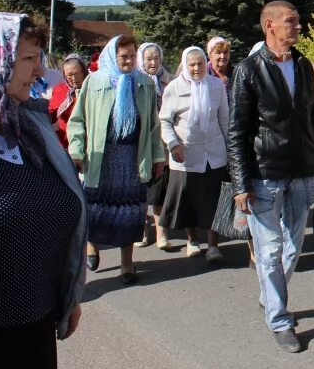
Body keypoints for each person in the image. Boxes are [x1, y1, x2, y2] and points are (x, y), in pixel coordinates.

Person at [228, 0, 314, 353]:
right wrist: (241, 184)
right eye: (291, 22)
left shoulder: (304, 66)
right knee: (271, 249)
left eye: (298, 21)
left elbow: (312, 119)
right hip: (266, 174)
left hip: (303, 171)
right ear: (270, 26)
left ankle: (268, 295)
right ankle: (279, 319)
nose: (298, 27)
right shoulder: (249, 70)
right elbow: (237, 131)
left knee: (293, 248)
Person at [0, 14, 86, 369]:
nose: (38, 71)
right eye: (29, 59)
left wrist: (69, 295)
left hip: (38, 317)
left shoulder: (31, 127)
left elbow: (64, 210)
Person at [68, 34, 166, 285]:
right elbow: (78, 121)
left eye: (133, 56)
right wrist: (77, 153)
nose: (130, 61)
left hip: (132, 157)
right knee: (95, 208)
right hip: (101, 157)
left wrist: (158, 157)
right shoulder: (95, 81)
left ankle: (126, 263)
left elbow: (153, 126)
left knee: (131, 212)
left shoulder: (143, 83)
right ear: (113, 56)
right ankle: (92, 246)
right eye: (124, 56)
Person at [158, 46, 230, 263]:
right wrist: (173, 144)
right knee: (189, 199)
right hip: (186, 154)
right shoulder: (174, 88)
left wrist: (228, 149)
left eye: (200, 63)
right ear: (185, 65)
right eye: (192, 64)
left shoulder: (216, 86)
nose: (197, 68)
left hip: (214, 154)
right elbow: (165, 121)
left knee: (213, 200)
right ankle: (192, 241)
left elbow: (224, 119)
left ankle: (213, 245)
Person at [136, 42, 174, 251]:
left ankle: (161, 232)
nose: (152, 62)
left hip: (162, 141)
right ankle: (141, 231)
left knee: (160, 189)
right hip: (142, 141)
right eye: (148, 58)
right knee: (141, 188)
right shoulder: (135, 81)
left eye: (156, 58)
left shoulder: (168, 80)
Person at [48, 53, 89, 150]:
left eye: (77, 73)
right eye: (70, 75)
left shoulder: (92, 90)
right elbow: (50, 115)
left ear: (83, 71)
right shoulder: (60, 90)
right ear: (64, 75)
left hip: (87, 144)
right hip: (63, 145)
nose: (74, 78)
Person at [207, 36, 233, 101]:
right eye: (218, 52)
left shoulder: (236, 73)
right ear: (210, 55)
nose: (223, 56)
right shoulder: (204, 74)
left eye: (225, 52)